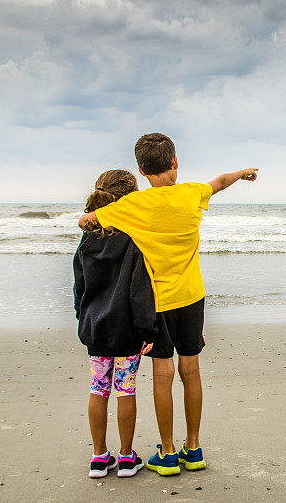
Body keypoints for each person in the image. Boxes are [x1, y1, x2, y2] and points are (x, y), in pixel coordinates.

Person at [78, 133, 258, 476]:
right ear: (175, 161)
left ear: (142, 171)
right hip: (191, 297)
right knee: (191, 370)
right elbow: (219, 182)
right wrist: (242, 173)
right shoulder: (192, 193)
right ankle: (194, 448)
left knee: (163, 374)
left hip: (156, 303)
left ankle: (169, 452)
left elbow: (87, 221)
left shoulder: (132, 205)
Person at [73, 169, 157, 479]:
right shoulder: (132, 238)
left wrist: (83, 319)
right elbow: (139, 290)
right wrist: (148, 328)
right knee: (126, 390)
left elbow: (79, 286)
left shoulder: (87, 239)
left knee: (98, 389)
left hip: (96, 328)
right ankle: (125, 457)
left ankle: (98, 457)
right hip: (126, 330)